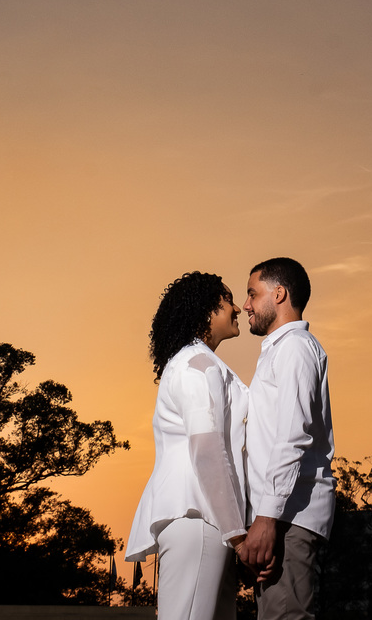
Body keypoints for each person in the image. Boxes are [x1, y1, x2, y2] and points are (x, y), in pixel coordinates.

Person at [125, 271, 252, 620]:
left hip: (208, 519)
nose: (238, 308)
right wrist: (238, 535)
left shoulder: (197, 364)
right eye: (228, 300)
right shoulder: (196, 367)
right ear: (207, 310)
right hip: (198, 517)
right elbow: (207, 450)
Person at [240, 257, 335, 620]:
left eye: (252, 293)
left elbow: (294, 436)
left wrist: (266, 519)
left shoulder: (295, 347)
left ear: (279, 294)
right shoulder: (279, 351)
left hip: (288, 517)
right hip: (278, 516)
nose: (246, 304)